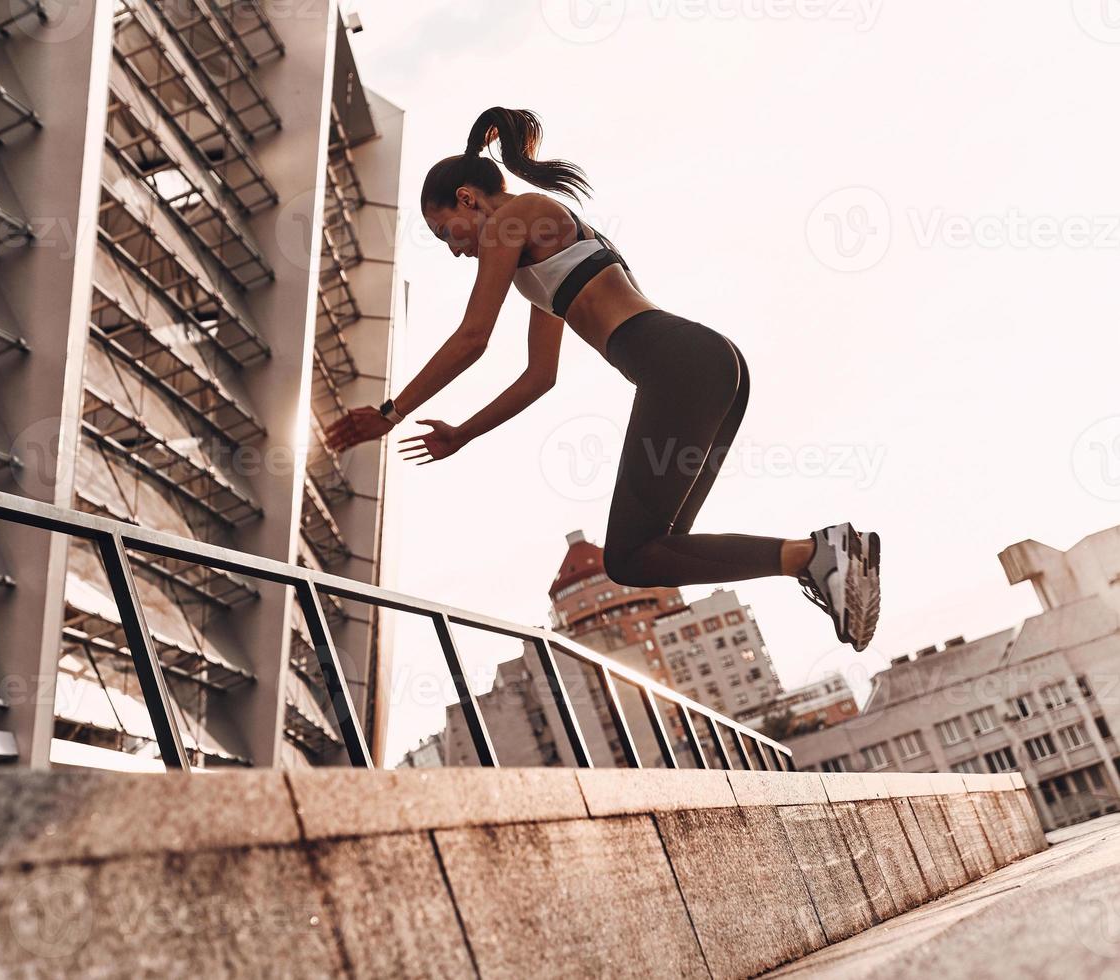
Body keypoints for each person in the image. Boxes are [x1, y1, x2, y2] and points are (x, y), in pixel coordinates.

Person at [325, 108, 879, 651]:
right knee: (653, 553)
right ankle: (819, 558)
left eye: (446, 230)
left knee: (628, 557)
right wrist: (462, 433)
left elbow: (474, 335)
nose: (454, 247)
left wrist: (390, 412)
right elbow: (540, 377)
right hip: (708, 365)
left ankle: (817, 554)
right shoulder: (539, 247)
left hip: (679, 366)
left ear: (468, 199)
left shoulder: (515, 218)